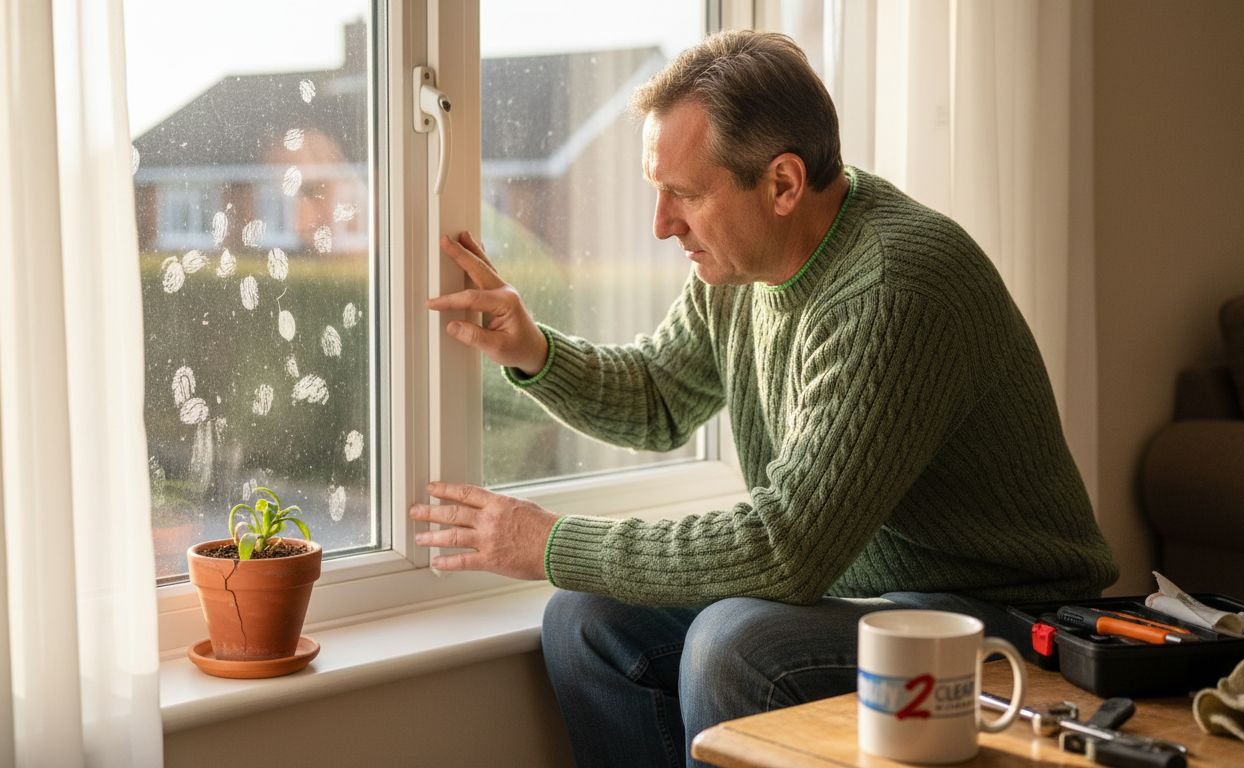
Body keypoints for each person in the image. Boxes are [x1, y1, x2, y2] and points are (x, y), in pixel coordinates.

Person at [409, 30, 1118, 768]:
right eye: (658, 191)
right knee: (587, 619)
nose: (662, 224)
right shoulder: (741, 266)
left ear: (782, 184)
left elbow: (786, 551)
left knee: (737, 647)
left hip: (1008, 618)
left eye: (685, 195)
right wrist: (535, 351)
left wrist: (549, 542)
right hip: (867, 599)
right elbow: (660, 397)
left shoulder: (895, 287)